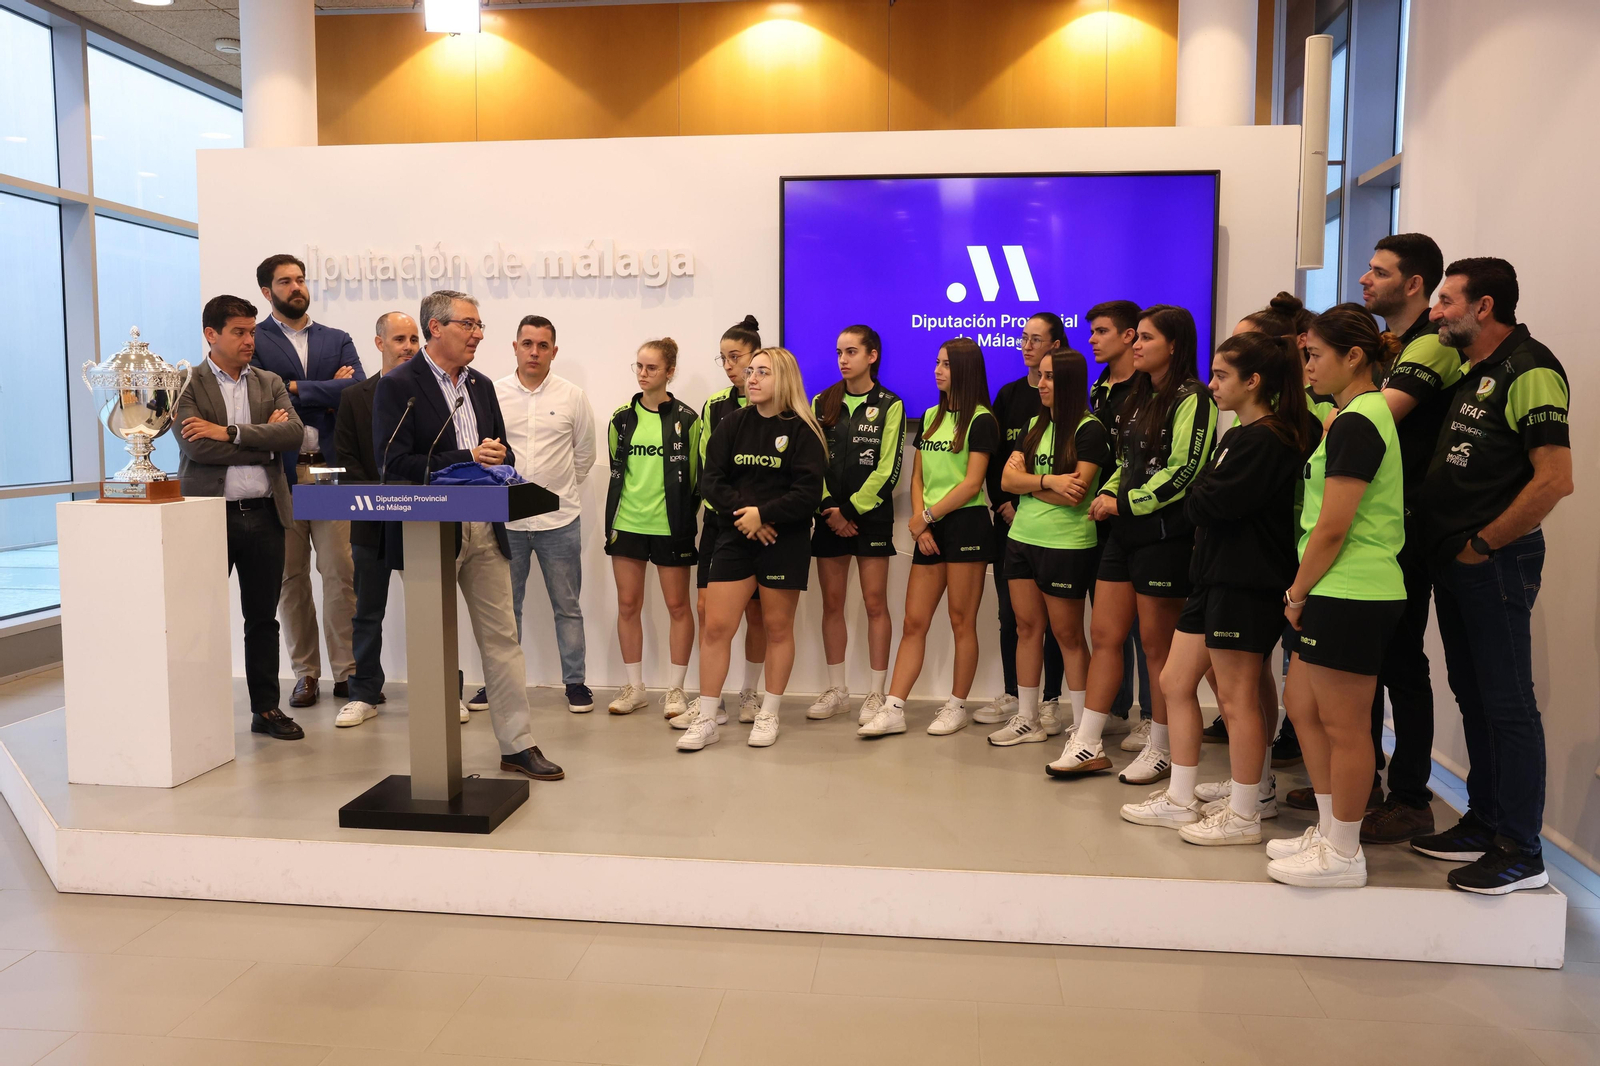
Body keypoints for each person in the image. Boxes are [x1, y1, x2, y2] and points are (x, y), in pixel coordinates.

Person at [1411, 258, 1571, 894]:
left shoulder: (1530, 369)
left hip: (1495, 561)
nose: (1435, 312)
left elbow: (1555, 479)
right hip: (1457, 560)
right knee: (1473, 694)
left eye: (1446, 301)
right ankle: (1484, 822)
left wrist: (1483, 544)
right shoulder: (1474, 368)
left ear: (1484, 307)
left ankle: (1521, 849)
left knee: (1508, 705)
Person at [1120, 331, 1318, 845]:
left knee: (1236, 697)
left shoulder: (1269, 439)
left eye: (1222, 376)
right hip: (1212, 578)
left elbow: (1207, 502)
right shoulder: (1237, 437)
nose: (1211, 385)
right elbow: (1201, 496)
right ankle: (1180, 798)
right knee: (1175, 681)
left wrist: (1202, 494)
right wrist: (1202, 494)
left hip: (1246, 582)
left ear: (1253, 382)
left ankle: (1247, 812)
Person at [370, 289, 564, 781]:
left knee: (503, 640)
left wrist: (499, 457)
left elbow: (502, 452)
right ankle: (435, 759)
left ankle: (518, 745)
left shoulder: (480, 385)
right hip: (430, 531)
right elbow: (394, 464)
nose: (478, 334)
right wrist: (467, 458)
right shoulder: (399, 386)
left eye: (480, 326)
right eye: (468, 325)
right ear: (436, 328)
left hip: (486, 527)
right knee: (434, 643)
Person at [1048, 305, 1216, 783]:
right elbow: (1125, 463)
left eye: (1146, 338)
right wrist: (1106, 494)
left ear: (1174, 346)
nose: (1136, 345)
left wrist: (1126, 503)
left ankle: (1161, 746)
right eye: (1136, 337)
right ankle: (1087, 742)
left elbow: (1185, 471)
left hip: (1165, 536)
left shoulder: (1194, 397)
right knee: (1105, 635)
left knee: (1158, 647)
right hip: (1123, 534)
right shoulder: (1139, 396)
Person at [1269, 306, 1406, 888]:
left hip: (1352, 588)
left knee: (1345, 725)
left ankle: (1345, 852)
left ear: (1353, 357)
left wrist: (1296, 592)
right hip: (1334, 585)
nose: (1306, 367)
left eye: (1314, 355)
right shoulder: (1349, 416)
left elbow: (1332, 526)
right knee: (1302, 705)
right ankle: (1329, 829)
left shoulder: (1359, 421)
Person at [1356, 233, 1461, 844]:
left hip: (1411, 527)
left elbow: (1373, 419)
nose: (1365, 279)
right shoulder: (1394, 343)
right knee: (1368, 658)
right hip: (1381, 525)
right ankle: (1363, 782)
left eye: (1379, 271)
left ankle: (1410, 797)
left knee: (1400, 660)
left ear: (1413, 283)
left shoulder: (1432, 343)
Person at [677, 347, 828, 751]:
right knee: (716, 627)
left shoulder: (803, 430)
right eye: (751, 372)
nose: (752, 378)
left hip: (784, 541)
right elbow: (711, 480)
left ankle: (769, 713)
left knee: (777, 629)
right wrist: (748, 515)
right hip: (735, 536)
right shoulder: (733, 423)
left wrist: (765, 515)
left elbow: (807, 493)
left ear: (785, 379)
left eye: (763, 372)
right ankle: (707, 717)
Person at [175, 295, 306, 741]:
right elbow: (197, 447)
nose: (250, 340)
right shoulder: (187, 384)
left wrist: (228, 432)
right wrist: (262, 443)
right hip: (209, 517)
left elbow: (292, 434)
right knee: (201, 617)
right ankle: (198, 712)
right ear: (211, 335)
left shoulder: (269, 381)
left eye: (252, 331)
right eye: (240, 332)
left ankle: (266, 709)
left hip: (266, 515)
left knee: (263, 620)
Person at [859, 338, 999, 738]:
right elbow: (917, 476)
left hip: (966, 524)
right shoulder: (932, 415)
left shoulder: (982, 420)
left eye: (946, 365)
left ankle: (956, 706)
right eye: (937, 362)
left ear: (966, 371)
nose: (937, 370)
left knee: (961, 621)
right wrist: (922, 524)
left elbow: (972, 484)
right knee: (914, 622)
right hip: (930, 527)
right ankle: (894, 708)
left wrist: (926, 517)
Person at [251, 254, 365, 710]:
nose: (296, 287)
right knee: (290, 576)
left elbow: (355, 390)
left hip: (329, 470)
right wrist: (325, 388)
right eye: (285, 281)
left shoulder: (337, 338)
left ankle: (348, 671)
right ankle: (305, 673)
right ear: (267, 292)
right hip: (282, 474)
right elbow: (261, 399)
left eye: (300, 279)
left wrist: (294, 389)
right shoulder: (254, 339)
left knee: (340, 571)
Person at [992, 349, 1110, 746]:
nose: (1040, 384)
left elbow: (1075, 495)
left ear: (1070, 382)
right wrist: (1049, 481)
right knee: (1026, 628)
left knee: (1068, 635)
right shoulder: (1033, 425)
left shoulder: (1090, 430)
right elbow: (1006, 482)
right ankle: (1027, 719)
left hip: (1066, 544)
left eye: (1049, 377)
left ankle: (1083, 729)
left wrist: (1032, 485)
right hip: (1022, 539)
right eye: (1040, 376)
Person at [492, 315, 598, 716]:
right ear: (515, 347)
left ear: (554, 351)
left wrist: (559, 492)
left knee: (567, 606)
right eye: (527, 344)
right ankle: (502, 684)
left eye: (542, 345)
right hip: (507, 520)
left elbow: (584, 455)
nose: (534, 352)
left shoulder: (573, 396)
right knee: (505, 611)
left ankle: (575, 683)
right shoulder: (494, 394)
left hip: (560, 521)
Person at [807, 326, 904, 723]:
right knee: (832, 604)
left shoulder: (890, 404)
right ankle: (837, 690)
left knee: (875, 603)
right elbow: (810, 462)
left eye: (851, 352)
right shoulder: (821, 401)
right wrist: (830, 508)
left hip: (870, 518)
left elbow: (889, 468)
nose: (843, 360)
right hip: (828, 517)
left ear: (872, 355)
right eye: (839, 352)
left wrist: (850, 511)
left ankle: (876, 693)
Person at [604, 339, 701, 718]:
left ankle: (676, 690)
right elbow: (618, 471)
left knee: (678, 606)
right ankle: (635, 687)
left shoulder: (688, 420)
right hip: (627, 524)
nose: (643, 374)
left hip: (670, 527)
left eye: (652, 368)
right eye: (639, 367)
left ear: (670, 372)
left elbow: (695, 479)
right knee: (628, 605)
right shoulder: (621, 419)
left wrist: (682, 517)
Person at [331, 311, 419, 728]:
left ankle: (441, 691)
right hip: (370, 519)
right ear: (379, 343)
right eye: (400, 339)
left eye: (414, 339)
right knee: (367, 611)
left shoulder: (429, 393)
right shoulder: (354, 397)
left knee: (430, 608)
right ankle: (364, 693)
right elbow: (346, 459)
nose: (409, 347)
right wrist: (382, 499)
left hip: (422, 519)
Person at [981, 313, 1068, 734]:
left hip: (1053, 527)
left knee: (1053, 619)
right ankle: (1015, 695)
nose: (1026, 346)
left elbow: (1071, 478)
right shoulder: (1009, 394)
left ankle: (1051, 700)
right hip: (1009, 522)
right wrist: (1004, 504)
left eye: (1036, 339)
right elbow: (996, 463)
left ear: (1055, 346)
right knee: (1010, 615)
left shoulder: (1069, 406)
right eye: (1023, 338)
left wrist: (1029, 496)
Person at [693, 316, 768, 726]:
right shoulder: (715, 406)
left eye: (735, 357)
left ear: (756, 355)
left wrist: (758, 514)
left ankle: (750, 693)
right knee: (707, 609)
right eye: (722, 358)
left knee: (757, 615)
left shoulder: (777, 405)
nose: (728, 366)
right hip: (722, 521)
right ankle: (711, 700)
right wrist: (731, 510)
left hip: (763, 525)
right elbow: (710, 468)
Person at [1086, 300, 1147, 750]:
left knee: (1147, 628)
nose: (1092, 339)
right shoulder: (1097, 389)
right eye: (1091, 331)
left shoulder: (1150, 388)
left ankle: (1152, 716)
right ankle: (1116, 707)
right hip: (1098, 514)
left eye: (1102, 331)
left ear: (1129, 336)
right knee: (1109, 625)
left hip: (1138, 514)